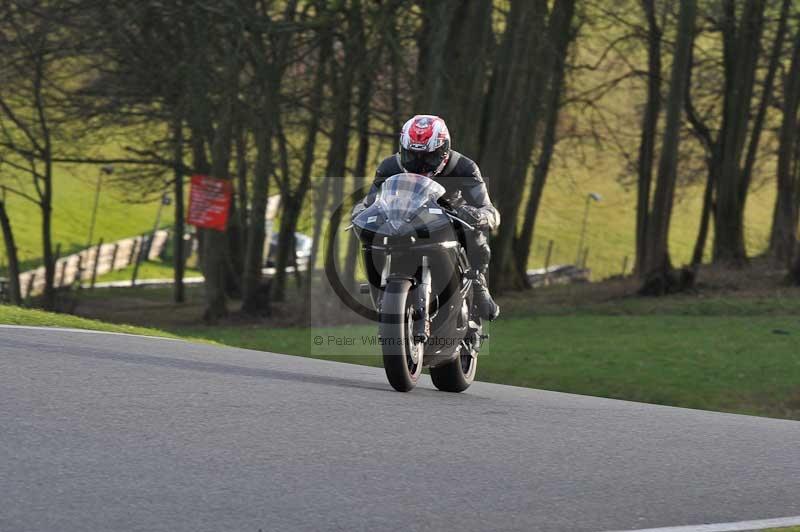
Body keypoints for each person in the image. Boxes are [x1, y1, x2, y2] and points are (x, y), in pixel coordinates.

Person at [354, 114, 500, 320]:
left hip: (448, 225)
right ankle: (378, 288)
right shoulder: (389, 167)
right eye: (412, 156)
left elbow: (490, 211)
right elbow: (370, 202)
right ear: (402, 149)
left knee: (475, 231)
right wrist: (359, 211)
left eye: (428, 158)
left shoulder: (465, 168)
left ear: (444, 151)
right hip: (405, 225)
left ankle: (477, 281)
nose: (420, 165)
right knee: (370, 235)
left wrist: (478, 215)